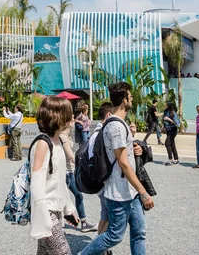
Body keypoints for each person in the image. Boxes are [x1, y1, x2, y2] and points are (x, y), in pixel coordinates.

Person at [80, 82, 154, 255]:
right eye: (130, 96)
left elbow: (123, 156)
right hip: (119, 193)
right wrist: (144, 192)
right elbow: (123, 163)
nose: (132, 99)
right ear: (123, 100)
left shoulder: (120, 124)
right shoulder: (116, 126)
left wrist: (136, 148)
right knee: (114, 235)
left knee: (139, 232)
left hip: (130, 191)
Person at [29, 96, 79, 255]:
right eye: (69, 113)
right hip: (46, 210)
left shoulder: (56, 141)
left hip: (55, 209)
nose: (72, 117)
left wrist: (69, 208)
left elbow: (59, 181)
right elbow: (36, 183)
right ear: (58, 116)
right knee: (63, 252)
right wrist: (43, 218)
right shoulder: (43, 143)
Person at [60, 114, 98, 233]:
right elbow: (70, 155)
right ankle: (82, 223)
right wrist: (82, 164)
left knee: (72, 196)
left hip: (69, 171)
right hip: (66, 172)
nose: (73, 120)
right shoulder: (63, 136)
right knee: (75, 196)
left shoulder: (66, 135)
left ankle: (82, 222)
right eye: (71, 119)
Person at [92, 103, 114, 242]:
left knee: (105, 214)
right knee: (111, 217)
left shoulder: (95, 132)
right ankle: (99, 247)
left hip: (98, 182)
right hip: (104, 182)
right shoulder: (102, 133)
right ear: (109, 115)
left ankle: (99, 245)